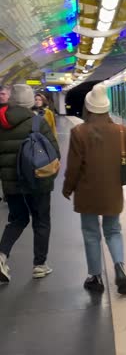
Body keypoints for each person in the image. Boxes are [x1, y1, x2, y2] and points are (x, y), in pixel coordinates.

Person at [63, 84, 126, 294]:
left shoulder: (78, 132)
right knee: (113, 230)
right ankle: (119, 267)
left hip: (87, 192)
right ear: (107, 108)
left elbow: (74, 167)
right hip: (112, 191)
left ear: (88, 108)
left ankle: (95, 277)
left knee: (91, 233)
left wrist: (68, 188)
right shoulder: (122, 131)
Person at [0, 85, 60, 283]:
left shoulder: (1, 123)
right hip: (37, 180)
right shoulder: (37, 122)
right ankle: (39, 265)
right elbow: (54, 152)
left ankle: (1, 256)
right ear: (29, 102)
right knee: (41, 220)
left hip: (10, 183)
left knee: (17, 219)